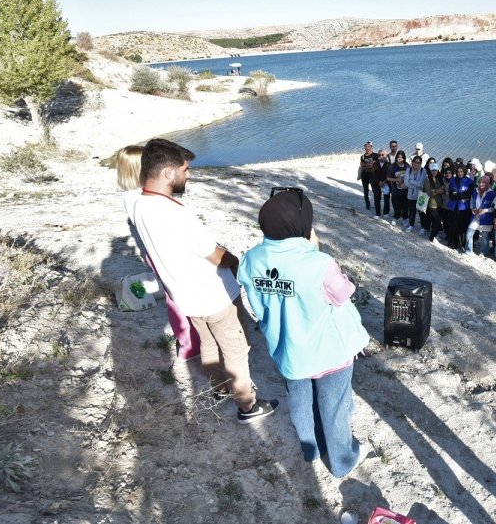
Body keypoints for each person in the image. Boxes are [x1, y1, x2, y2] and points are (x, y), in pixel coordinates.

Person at [133, 138, 277, 423]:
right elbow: (215, 255)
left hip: (186, 296)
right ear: (168, 173)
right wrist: (239, 263)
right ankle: (248, 405)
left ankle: (220, 388)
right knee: (236, 349)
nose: (189, 175)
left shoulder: (140, 204)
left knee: (208, 344)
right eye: (185, 170)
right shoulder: (175, 212)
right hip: (215, 295)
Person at [238, 190, 371, 477]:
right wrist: (316, 250)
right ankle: (342, 461)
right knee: (333, 407)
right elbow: (342, 293)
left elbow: (256, 297)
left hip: (287, 349)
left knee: (299, 400)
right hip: (328, 350)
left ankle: (311, 448)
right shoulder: (318, 263)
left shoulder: (251, 259)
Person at [116, 145, 200, 362]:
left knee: (174, 295)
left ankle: (187, 340)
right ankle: (189, 343)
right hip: (163, 252)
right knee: (178, 298)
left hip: (153, 252)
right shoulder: (141, 198)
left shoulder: (130, 195)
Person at [446, 164, 474, 251]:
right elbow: (451, 193)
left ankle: (461, 244)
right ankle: (452, 243)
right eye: (458, 171)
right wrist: (460, 195)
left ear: (465, 172)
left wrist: (458, 195)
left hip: (464, 208)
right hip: (453, 206)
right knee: (453, 225)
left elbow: (469, 194)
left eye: (462, 171)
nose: (460, 173)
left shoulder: (470, 181)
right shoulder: (453, 180)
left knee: (462, 226)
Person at [467, 173, 496, 254]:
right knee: (469, 232)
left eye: (483, 182)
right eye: (480, 182)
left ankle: (483, 252)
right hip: (475, 216)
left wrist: (485, 210)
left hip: (486, 218)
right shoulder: (475, 191)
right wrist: (472, 208)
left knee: (485, 237)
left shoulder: (492, 194)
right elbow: (472, 201)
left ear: (488, 183)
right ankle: (468, 250)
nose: (481, 184)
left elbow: (494, 208)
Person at [423, 163, 447, 244]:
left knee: (435, 221)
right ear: (430, 171)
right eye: (432, 170)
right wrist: (438, 190)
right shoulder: (427, 180)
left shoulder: (440, 179)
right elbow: (429, 192)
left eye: (435, 170)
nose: (434, 172)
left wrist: (436, 190)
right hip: (432, 203)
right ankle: (432, 237)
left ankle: (435, 234)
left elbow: (444, 190)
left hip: (440, 203)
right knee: (437, 220)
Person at [404, 155, 427, 234]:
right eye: (414, 162)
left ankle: (423, 227)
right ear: (412, 162)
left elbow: (421, 184)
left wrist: (411, 181)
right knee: (411, 211)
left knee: (421, 212)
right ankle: (411, 225)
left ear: (420, 163)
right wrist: (413, 184)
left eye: (418, 163)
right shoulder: (408, 170)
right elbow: (406, 183)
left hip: (421, 195)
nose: (416, 164)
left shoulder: (423, 171)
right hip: (410, 195)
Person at [386, 150, 409, 226]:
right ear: (396, 158)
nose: (400, 159)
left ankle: (405, 219)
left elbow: (411, 176)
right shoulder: (393, 166)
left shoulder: (407, 166)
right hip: (396, 190)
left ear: (404, 158)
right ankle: (396, 217)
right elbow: (388, 178)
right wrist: (396, 180)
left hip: (406, 190)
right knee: (396, 205)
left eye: (402, 157)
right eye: (398, 157)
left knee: (405, 206)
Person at [371, 149, 390, 219]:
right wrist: (379, 182)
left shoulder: (389, 164)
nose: (381, 156)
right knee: (376, 198)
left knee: (386, 198)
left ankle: (386, 212)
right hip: (376, 183)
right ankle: (378, 213)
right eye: (379, 155)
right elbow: (373, 174)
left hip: (386, 183)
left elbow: (389, 175)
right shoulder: (374, 163)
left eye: (382, 155)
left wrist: (384, 181)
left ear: (386, 155)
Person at [358, 141, 376, 211]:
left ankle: (375, 203)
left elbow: (374, 165)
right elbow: (362, 166)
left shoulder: (375, 155)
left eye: (368, 146)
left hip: (373, 175)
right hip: (364, 175)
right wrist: (369, 165)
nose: (367, 148)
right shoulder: (362, 156)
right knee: (366, 190)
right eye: (366, 146)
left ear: (371, 147)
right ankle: (367, 204)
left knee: (374, 190)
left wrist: (366, 165)